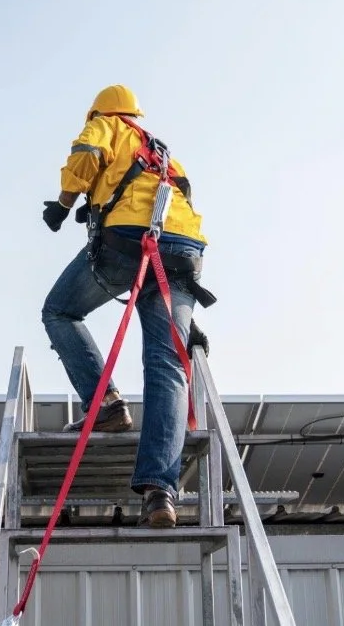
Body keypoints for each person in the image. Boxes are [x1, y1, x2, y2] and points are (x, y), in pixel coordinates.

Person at [40, 84, 214, 528]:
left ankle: (106, 405)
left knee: (59, 311)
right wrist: (184, 314)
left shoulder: (105, 126)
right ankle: (161, 492)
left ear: (100, 112)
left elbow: (84, 161)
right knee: (167, 363)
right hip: (183, 254)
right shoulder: (164, 154)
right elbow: (182, 203)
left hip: (128, 243)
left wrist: (63, 206)